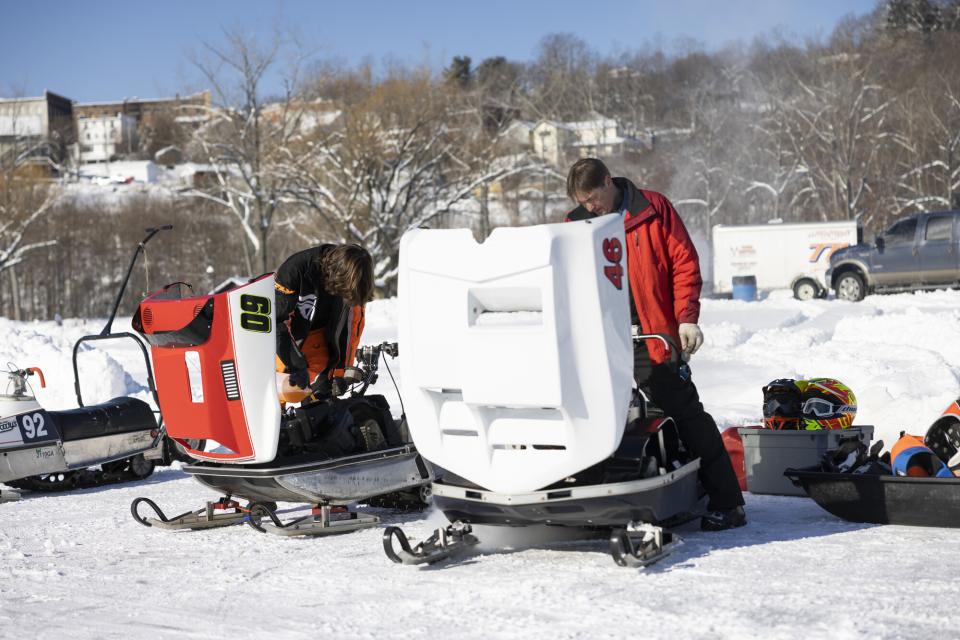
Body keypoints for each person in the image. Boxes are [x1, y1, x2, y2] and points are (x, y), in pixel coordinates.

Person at [565, 158, 746, 531]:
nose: (589, 208)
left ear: (608, 182)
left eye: (593, 199)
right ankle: (596, 498)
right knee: (597, 414)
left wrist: (687, 319)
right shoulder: (575, 226)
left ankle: (728, 503)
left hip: (651, 335)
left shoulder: (652, 209)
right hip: (600, 339)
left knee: (684, 412)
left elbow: (684, 263)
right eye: (582, 202)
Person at [274, 243, 374, 404]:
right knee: (282, 393)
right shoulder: (295, 269)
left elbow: (352, 328)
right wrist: (296, 365)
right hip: (286, 340)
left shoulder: (355, 280)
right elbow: (277, 322)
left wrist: (341, 371)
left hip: (321, 340)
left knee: (322, 403)